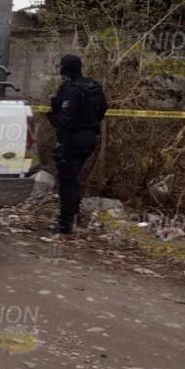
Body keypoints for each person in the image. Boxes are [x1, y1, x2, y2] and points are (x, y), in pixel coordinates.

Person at [49, 54, 108, 234]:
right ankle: (73, 217)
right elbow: (103, 109)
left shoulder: (72, 89)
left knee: (67, 180)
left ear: (66, 69)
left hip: (73, 140)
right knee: (73, 178)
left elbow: (64, 120)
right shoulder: (92, 86)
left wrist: (60, 140)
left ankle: (66, 222)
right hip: (89, 138)